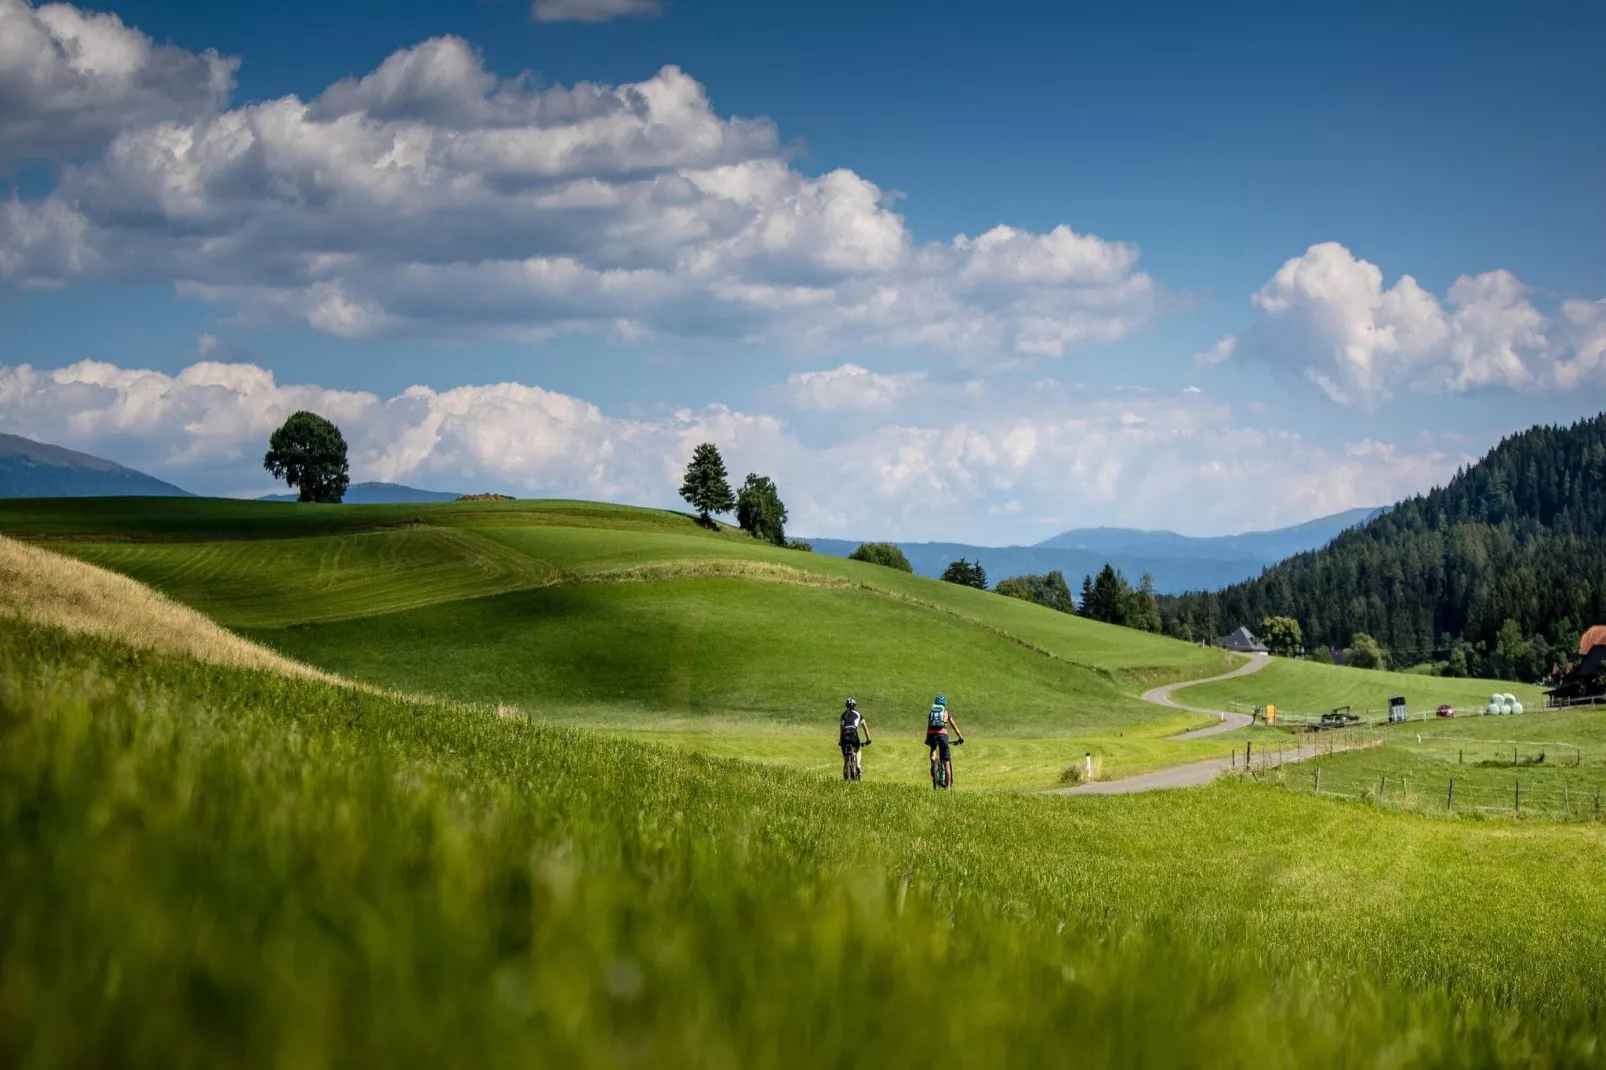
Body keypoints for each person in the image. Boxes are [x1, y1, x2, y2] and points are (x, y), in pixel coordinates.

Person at [925, 694, 964, 790]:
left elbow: (929, 727)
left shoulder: (932, 713)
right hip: (942, 736)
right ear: (944, 704)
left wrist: (927, 738)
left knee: (933, 749)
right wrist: (960, 737)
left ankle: (933, 762)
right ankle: (948, 788)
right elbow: (954, 727)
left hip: (932, 735)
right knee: (946, 762)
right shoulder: (946, 713)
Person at [839, 698, 872, 780]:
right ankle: (858, 765)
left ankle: (846, 774)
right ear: (855, 706)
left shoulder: (843, 715)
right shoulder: (858, 714)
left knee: (846, 760)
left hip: (845, 735)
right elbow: (865, 729)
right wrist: (868, 739)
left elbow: (841, 730)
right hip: (853, 733)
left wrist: (840, 741)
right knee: (858, 749)